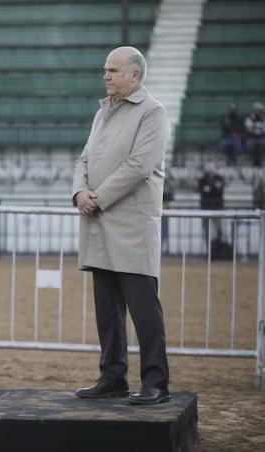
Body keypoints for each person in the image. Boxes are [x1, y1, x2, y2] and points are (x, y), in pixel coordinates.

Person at [72, 46, 170, 405]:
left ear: (136, 75)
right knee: (107, 311)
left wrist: (96, 197)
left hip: (131, 227)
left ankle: (156, 382)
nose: (106, 75)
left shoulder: (153, 113)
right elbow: (83, 158)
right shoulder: (103, 112)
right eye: (105, 70)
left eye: (113, 70)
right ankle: (112, 377)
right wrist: (79, 192)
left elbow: (140, 165)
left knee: (145, 310)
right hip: (99, 224)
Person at [198, 161, 225, 248]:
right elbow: (202, 190)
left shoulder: (219, 178)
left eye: (211, 166)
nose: (209, 168)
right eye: (208, 166)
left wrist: (210, 188)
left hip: (217, 207)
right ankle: (208, 249)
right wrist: (213, 188)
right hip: (205, 207)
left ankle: (218, 248)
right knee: (206, 229)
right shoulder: (202, 179)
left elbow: (218, 190)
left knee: (218, 229)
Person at [245, 102, 265, 166]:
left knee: (262, 145)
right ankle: (255, 160)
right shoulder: (249, 118)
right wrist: (259, 128)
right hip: (251, 138)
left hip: (261, 138)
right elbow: (249, 128)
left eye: (260, 110)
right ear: (254, 110)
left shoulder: (263, 119)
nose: (258, 111)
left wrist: (256, 127)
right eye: (257, 109)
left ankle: (257, 160)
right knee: (250, 146)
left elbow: (263, 130)